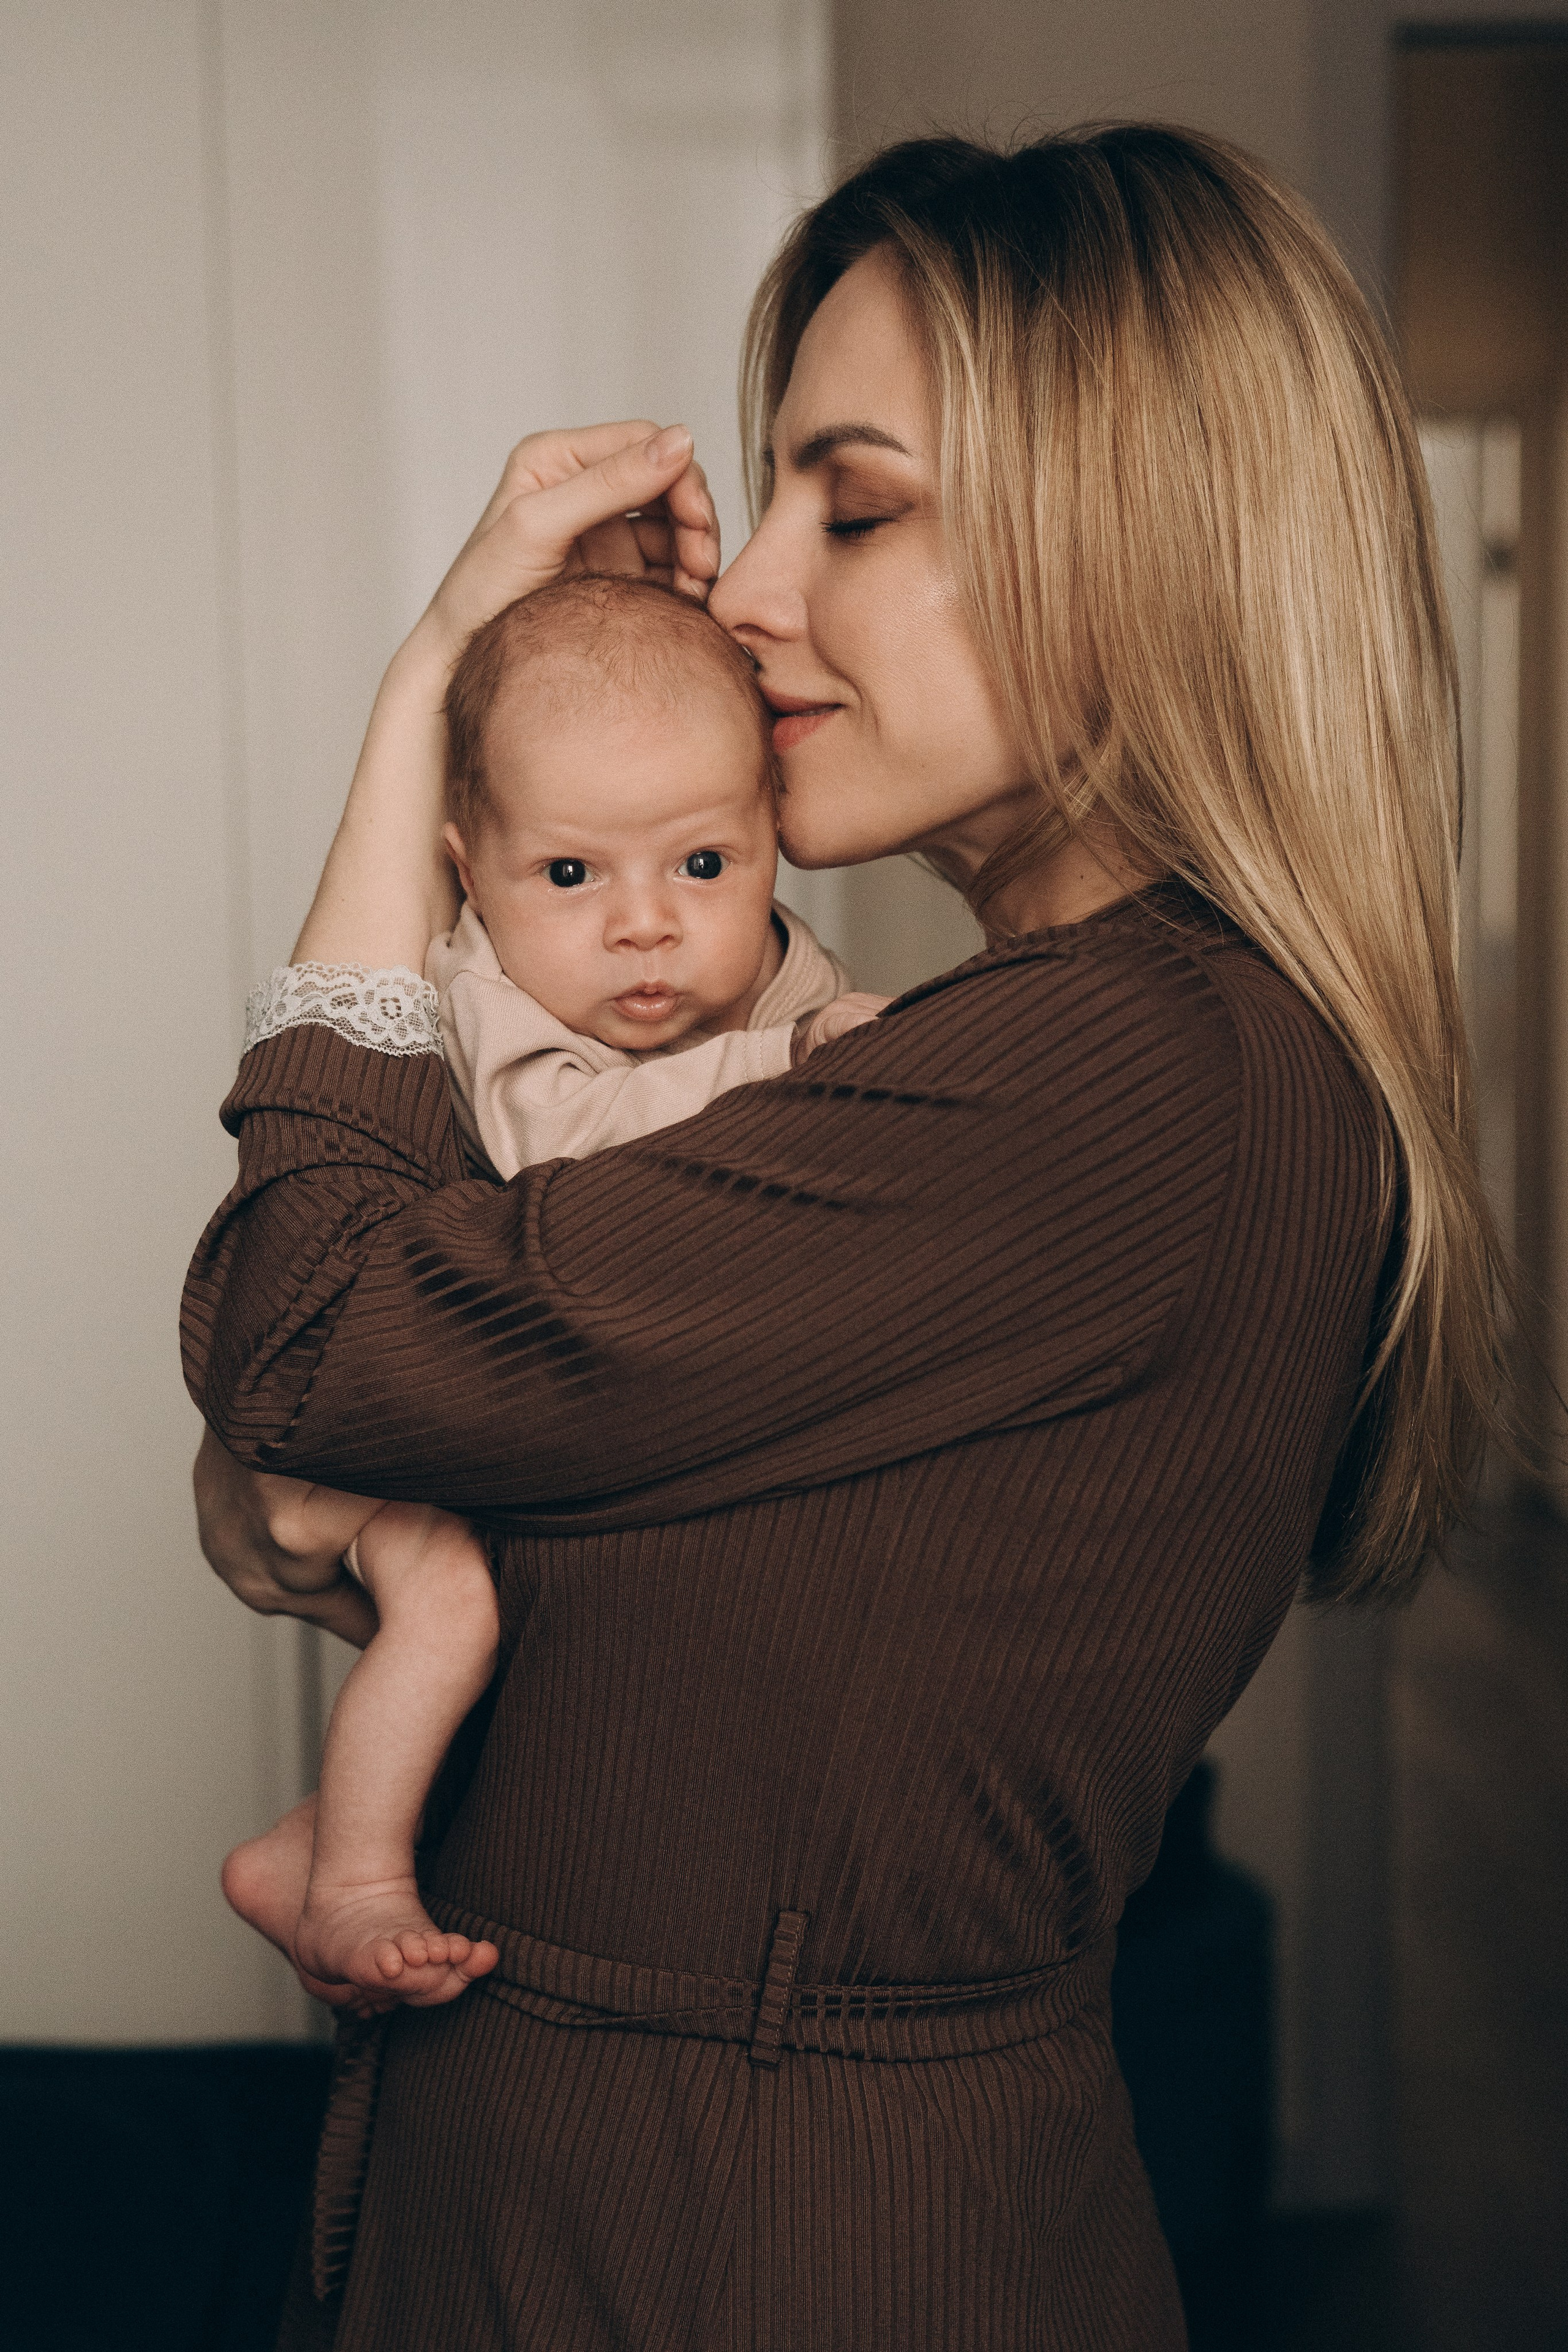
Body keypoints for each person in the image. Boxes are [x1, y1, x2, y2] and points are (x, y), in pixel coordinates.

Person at [187, 125, 1502, 2351]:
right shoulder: (1045, 1059)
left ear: (1144, 544)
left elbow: (302, 1342)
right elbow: (408, 1517)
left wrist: (436, 703)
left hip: (760, 2246)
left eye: (857, 507)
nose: (745, 591)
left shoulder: (1115, 1083)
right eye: (770, 497)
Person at [220, 573, 876, 2014]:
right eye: (570, 877)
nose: (646, 927)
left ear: (776, 838)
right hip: (404, 1427)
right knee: (449, 1604)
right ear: (469, 870)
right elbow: (564, 1147)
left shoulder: (774, 986)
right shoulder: (492, 999)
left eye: (703, 864)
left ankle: (318, 1826)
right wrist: (811, 1067)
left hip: (555, 1417)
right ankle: (347, 1881)